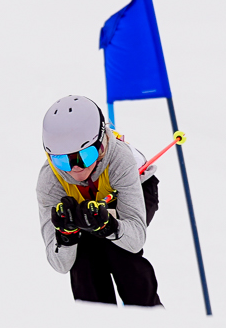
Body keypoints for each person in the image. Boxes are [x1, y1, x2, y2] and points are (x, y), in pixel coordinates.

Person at [36, 94, 162, 306]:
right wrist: (66, 237)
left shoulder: (120, 159)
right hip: (84, 204)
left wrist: (109, 227)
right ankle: (96, 319)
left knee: (120, 252)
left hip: (137, 187)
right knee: (83, 256)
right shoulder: (50, 182)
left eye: (85, 156)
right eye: (62, 161)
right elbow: (60, 264)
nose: (76, 168)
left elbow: (135, 239)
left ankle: (147, 313)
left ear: (101, 145)